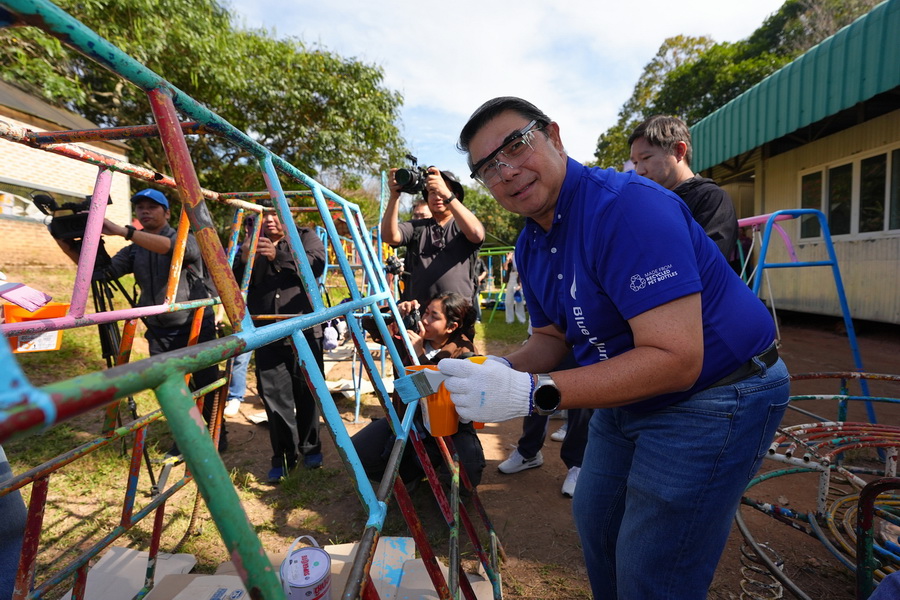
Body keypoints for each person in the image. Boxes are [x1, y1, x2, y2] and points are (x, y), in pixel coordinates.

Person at [441, 97, 790, 599]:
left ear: (554, 136)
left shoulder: (628, 208)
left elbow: (676, 360)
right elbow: (551, 338)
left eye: (516, 146)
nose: (507, 171)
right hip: (627, 393)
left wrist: (528, 392)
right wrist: (494, 367)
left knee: (652, 565)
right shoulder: (530, 242)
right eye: (488, 168)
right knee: (597, 522)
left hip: (718, 391)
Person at [56, 188, 225, 455]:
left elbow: (174, 249)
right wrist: (64, 241)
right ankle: (186, 437)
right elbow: (104, 273)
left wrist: (123, 231)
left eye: (152, 206)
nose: (145, 211)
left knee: (205, 382)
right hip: (158, 329)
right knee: (170, 387)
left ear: (167, 213)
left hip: (194, 325)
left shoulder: (186, 239)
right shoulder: (135, 250)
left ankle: (217, 433)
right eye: (140, 207)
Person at [352, 292, 486, 489]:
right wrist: (394, 312)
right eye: (426, 312)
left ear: (451, 327)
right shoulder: (410, 334)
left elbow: (440, 394)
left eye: (434, 316)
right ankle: (410, 474)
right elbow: (370, 324)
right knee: (358, 452)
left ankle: (447, 484)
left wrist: (420, 356)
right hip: (407, 418)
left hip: (450, 427)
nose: (425, 320)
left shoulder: (464, 351)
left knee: (468, 469)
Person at [234, 210, 326, 483]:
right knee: (274, 398)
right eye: (265, 215)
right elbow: (235, 282)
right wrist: (245, 257)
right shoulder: (251, 244)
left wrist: (277, 255)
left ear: (288, 215)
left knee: (308, 393)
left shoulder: (305, 237)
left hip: (304, 330)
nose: (270, 220)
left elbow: (315, 265)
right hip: (267, 334)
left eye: (275, 213)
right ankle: (284, 456)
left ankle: (311, 448)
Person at [629, 115, 739, 265]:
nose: (639, 171)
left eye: (646, 158)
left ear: (679, 151)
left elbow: (708, 265)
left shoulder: (710, 198)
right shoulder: (648, 205)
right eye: (635, 162)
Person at [381, 167, 485, 310]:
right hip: (418, 313)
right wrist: (394, 196)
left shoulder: (463, 225)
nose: (437, 196)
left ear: (455, 195)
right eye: (432, 192)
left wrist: (447, 195)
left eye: (441, 191)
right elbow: (389, 236)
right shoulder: (417, 227)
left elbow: (476, 233)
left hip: (457, 314)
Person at [503, 251, 526, 324]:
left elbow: (522, 272)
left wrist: (520, 285)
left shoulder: (519, 259)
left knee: (519, 301)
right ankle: (509, 320)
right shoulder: (509, 262)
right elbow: (505, 268)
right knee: (508, 302)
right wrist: (507, 259)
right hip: (510, 281)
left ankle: (522, 319)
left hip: (518, 281)